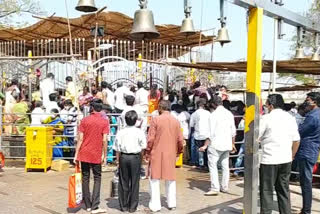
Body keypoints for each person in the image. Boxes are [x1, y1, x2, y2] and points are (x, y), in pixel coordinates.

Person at [258, 94, 300, 214]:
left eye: (266, 105)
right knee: (283, 190)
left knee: (266, 191)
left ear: (270, 105)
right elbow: (296, 140)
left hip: (269, 160)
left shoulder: (266, 118)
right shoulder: (291, 118)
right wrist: (291, 155)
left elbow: (257, 137)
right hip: (286, 159)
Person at [145, 100, 184, 212]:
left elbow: (151, 138)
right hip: (171, 152)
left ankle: (155, 205)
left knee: (154, 179)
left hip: (156, 152)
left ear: (160, 108)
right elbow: (180, 140)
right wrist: (179, 152)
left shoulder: (156, 120)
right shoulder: (176, 121)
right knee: (170, 178)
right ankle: (172, 203)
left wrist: (147, 151)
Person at [74, 101, 110, 214]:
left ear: (92, 108)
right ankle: (95, 206)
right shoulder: (104, 122)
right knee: (97, 178)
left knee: (85, 177)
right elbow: (104, 140)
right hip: (96, 153)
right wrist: (105, 154)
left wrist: (76, 154)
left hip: (84, 152)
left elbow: (80, 139)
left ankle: (88, 204)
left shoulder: (84, 121)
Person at [199, 95, 236, 196]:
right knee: (225, 166)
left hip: (215, 144)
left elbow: (209, 134)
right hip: (227, 143)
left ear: (213, 104)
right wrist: (233, 144)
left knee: (213, 166)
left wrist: (205, 146)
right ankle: (224, 186)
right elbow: (233, 131)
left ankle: (215, 188)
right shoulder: (229, 114)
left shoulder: (213, 115)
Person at [113, 110, 147, 213]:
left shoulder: (121, 132)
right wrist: (141, 160)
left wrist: (118, 161)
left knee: (124, 181)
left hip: (124, 157)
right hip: (135, 157)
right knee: (135, 182)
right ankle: (132, 207)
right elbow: (143, 147)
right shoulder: (139, 132)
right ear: (136, 120)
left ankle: (123, 206)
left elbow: (117, 149)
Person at [296, 92, 320, 214]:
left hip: (307, 150)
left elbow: (300, 131)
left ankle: (306, 210)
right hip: (313, 149)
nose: (306, 102)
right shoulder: (317, 114)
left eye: (308, 100)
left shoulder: (312, 117)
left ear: (314, 102)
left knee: (305, 181)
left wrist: (299, 117)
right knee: (306, 179)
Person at [189, 98, 211, 168]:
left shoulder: (194, 114)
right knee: (206, 150)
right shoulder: (208, 113)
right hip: (207, 135)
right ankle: (206, 164)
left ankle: (197, 163)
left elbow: (191, 125)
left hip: (197, 134)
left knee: (198, 150)